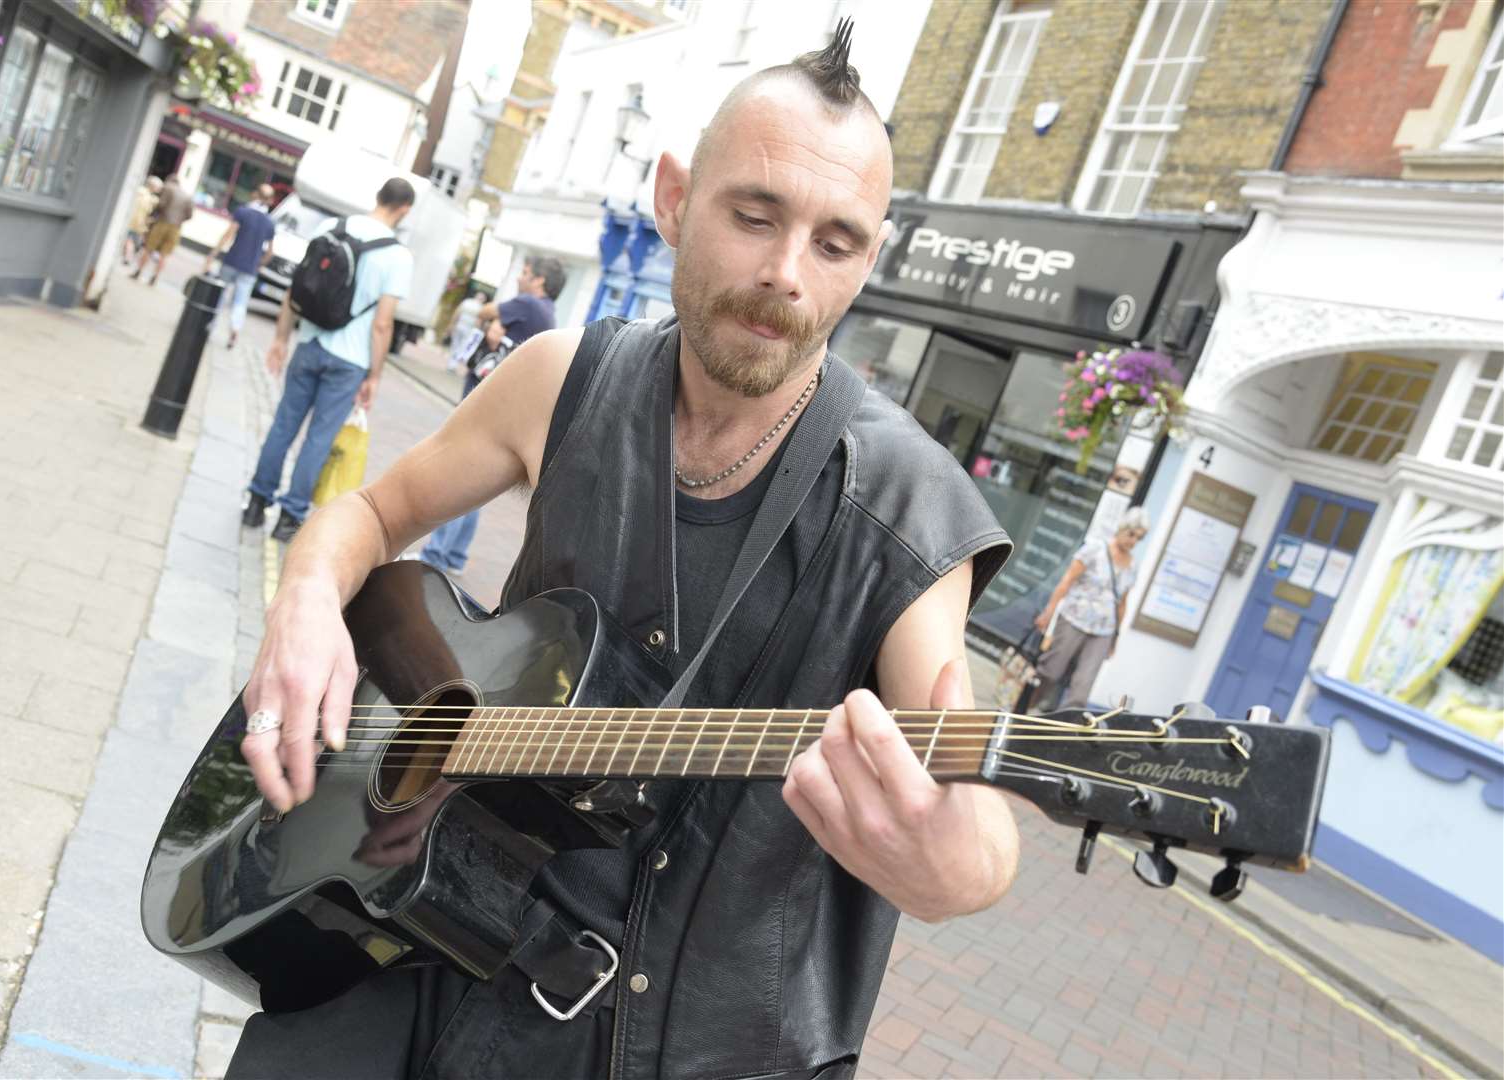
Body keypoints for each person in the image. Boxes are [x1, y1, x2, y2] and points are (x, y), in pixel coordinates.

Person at [228, 23, 1019, 1079]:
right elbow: (369, 517)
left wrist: (952, 868)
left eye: (834, 244)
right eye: (754, 215)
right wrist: (306, 605)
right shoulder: (562, 380)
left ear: (868, 259)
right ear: (674, 197)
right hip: (426, 960)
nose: (787, 274)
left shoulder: (913, 513)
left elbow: (969, 803)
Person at [240, 178, 416, 543]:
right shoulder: (398, 257)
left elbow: (296, 289)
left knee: (283, 425)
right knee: (318, 439)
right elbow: (383, 324)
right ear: (405, 210)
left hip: (309, 342)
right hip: (349, 362)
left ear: (377, 196)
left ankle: (256, 503)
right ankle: (289, 518)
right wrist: (375, 375)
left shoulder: (330, 228)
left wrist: (280, 338)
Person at [419, 256, 564, 575]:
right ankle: (454, 554)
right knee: (475, 480)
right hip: (509, 406)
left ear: (539, 281)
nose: (519, 279)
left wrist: (495, 319)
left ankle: (435, 555)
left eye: (525, 273)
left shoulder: (528, 305)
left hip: (489, 402)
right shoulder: (548, 315)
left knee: (459, 476)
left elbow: (484, 311)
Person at [1032, 507, 1150, 710]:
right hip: (1073, 619)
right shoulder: (1094, 550)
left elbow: (1122, 603)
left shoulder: (1132, 567)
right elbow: (1066, 581)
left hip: (1103, 630)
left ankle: (1064, 733)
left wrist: (1115, 637)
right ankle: (1024, 705)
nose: (1133, 541)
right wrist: (1049, 612)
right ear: (1122, 528)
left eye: (1138, 538)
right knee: (1051, 670)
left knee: (1082, 687)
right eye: (1131, 534)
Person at [204, 184, 277, 349]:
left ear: (254, 194)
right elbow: (270, 253)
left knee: (220, 296)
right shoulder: (269, 223)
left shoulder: (243, 212)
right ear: (270, 201)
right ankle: (235, 330)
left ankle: (210, 326)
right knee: (240, 302)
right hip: (250, 268)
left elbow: (228, 235)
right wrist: (259, 264)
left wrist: (212, 254)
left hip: (232, 261)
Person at [130, 176, 193, 285]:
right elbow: (189, 215)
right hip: (176, 227)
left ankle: (138, 271)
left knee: (149, 248)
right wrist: (179, 220)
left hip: (163, 222)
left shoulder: (168, 188)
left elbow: (161, 205)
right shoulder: (187, 196)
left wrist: (151, 215)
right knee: (164, 254)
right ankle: (155, 277)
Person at [122, 175, 162, 265]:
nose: (158, 190)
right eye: (158, 188)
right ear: (153, 186)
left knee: (131, 240)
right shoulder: (149, 198)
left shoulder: (141, 192)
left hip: (134, 221)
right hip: (137, 223)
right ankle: (127, 257)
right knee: (131, 240)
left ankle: (127, 256)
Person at [446, 290, 487, 369]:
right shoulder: (480, 307)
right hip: (466, 328)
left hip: (462, 327)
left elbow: (457, 313)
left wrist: (452, 324)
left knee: (456, 345)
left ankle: (452, 364)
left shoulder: (467, 302)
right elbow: (478, 321)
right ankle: (453, 364)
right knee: (460, 346)